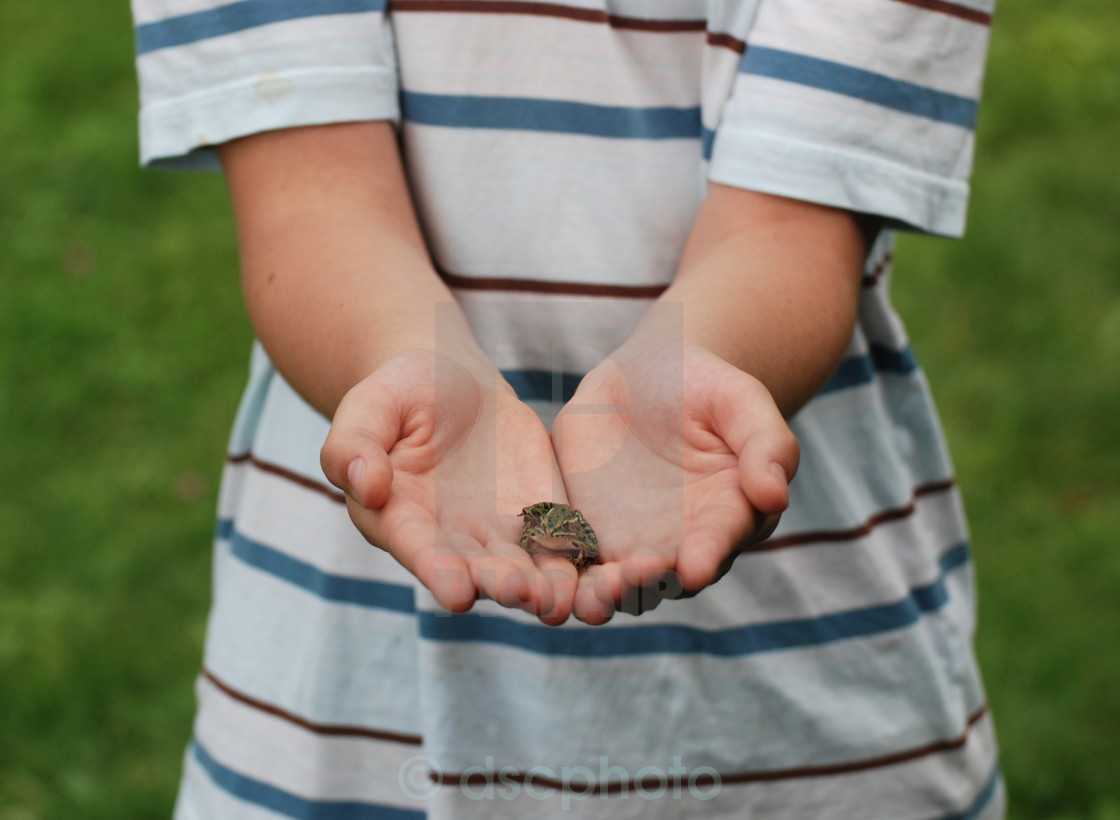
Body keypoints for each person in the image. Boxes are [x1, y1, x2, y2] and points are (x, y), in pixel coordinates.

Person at [132, 0, 1003, 817]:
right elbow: (312, 199)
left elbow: (792, 223)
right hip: (335, 706)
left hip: (811, 723)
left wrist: (693, 361)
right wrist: (405, 361)